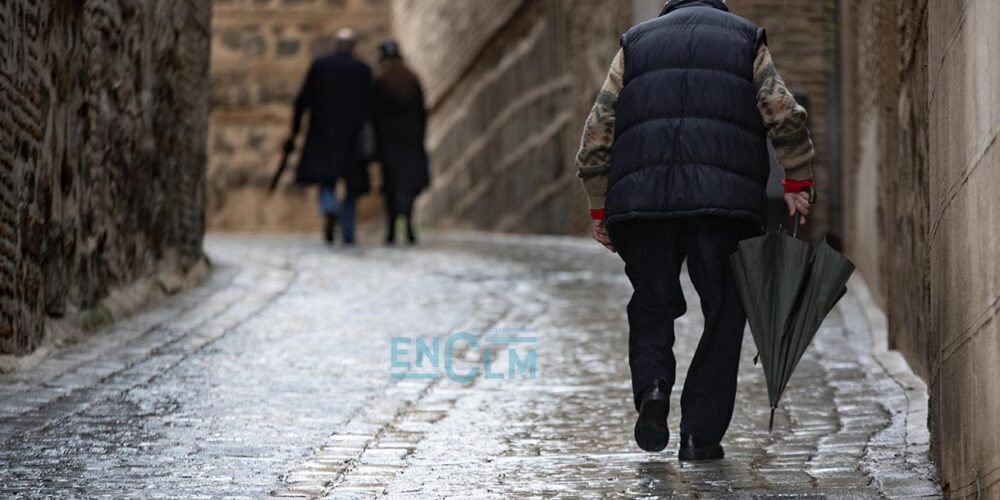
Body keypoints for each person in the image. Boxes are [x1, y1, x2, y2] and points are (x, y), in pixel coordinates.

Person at [575, 0, 815, 460]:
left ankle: (654, 389)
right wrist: (797, 177)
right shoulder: (745, 38)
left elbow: (598, 130)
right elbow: (782, 112)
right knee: (725, 309)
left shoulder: (635, 43)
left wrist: (599, 206)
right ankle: (699, 434)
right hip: (723, 204)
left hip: (643, 202)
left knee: (650, 303)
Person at [286, 28, 372, 245]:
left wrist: (295, 131)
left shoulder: (320, 65)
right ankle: (348, 232)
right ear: (353, 46)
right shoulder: (362, 70)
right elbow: (372, 107)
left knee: (327, 181)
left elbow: (302, 100)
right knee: (352, 186)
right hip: (353, 136)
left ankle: (330, 208)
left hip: (323, 133)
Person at [371, 41, 430, 245]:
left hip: (389, 144)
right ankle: (409, 223)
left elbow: (374, 115)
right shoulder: (412, 81)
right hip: (411, 143)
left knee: (392, 187)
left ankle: (391, 229)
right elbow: (422, 113)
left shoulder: (380, 83)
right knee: (409, 185)